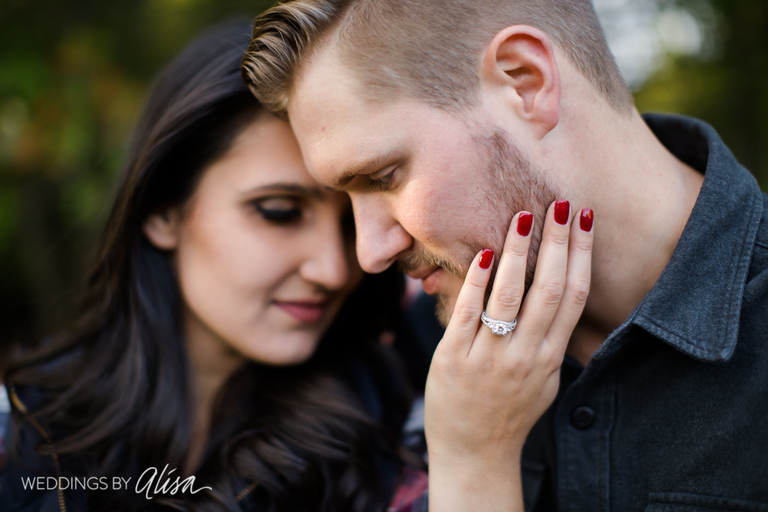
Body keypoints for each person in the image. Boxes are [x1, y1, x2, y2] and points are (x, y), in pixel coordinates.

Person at [241, 0, 768, 511]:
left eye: (383, 178)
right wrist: (470, 464)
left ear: (525, 82)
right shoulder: (414, 350)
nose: (370, 253)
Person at [0, 21, 422, 512]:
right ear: (162, 210)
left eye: (350, 223)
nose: (333, 270)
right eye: (279, 212)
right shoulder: (19, 431)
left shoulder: (397, 439)